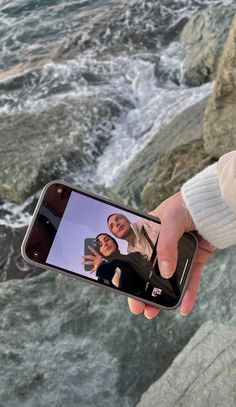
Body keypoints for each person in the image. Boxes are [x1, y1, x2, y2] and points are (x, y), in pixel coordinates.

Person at [128, 150, 236, 319]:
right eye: (111, 226)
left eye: (115, 221)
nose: (115, 225)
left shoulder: (138, 236)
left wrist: (210, 199)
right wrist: (214, 200)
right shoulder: (127, 254)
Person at [82, 233, 177, 300]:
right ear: (99, 252)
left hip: (170, 284)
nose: (105, 244)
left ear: (114, 241)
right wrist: (101, 267)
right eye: (100, 245)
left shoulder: (135, 255)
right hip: (156, 298)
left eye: (107, 240)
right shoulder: (103, 276)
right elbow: (127, 283)